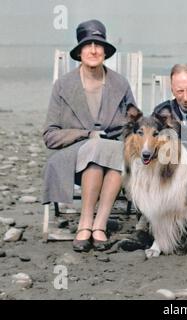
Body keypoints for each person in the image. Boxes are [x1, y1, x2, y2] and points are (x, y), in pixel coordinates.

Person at [42, 19, 140, 252]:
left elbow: (134, 125)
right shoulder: (63, 86)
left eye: (98, 45)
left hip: (114, 157)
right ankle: (88, 222)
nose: (94, 50)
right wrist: (87, 134)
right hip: (73, 159)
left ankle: (97, 225)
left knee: (113, 153)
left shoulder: (120, 83)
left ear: (105, 51)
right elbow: (50, 135)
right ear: (79, 52)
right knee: (98, 150)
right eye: (88, 45)